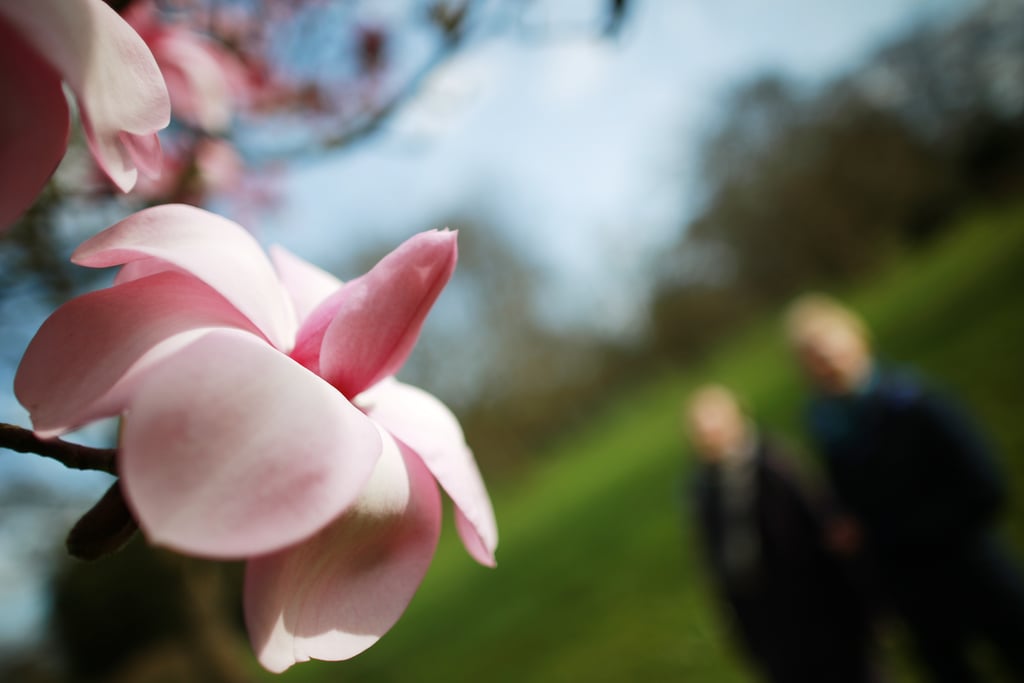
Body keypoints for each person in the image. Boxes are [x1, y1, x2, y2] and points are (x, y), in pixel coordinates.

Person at [785, 293, 1024, 682]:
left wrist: (887, 530)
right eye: (814, 356)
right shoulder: (829, 432)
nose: (828, 362)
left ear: (858, 339)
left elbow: (987, 489)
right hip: (916, 598)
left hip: (974, 570)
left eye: (832, 348)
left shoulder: (916, 402)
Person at [684, 384, 877, 683]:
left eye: (714, 425)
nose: (709, 436)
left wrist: (860, 603)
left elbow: (829, 528)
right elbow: (716, 563)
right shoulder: (703, 490)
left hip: (818, 610)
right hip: (766, 622)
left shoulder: (776, 463)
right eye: (699, 431)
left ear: (737, 417)